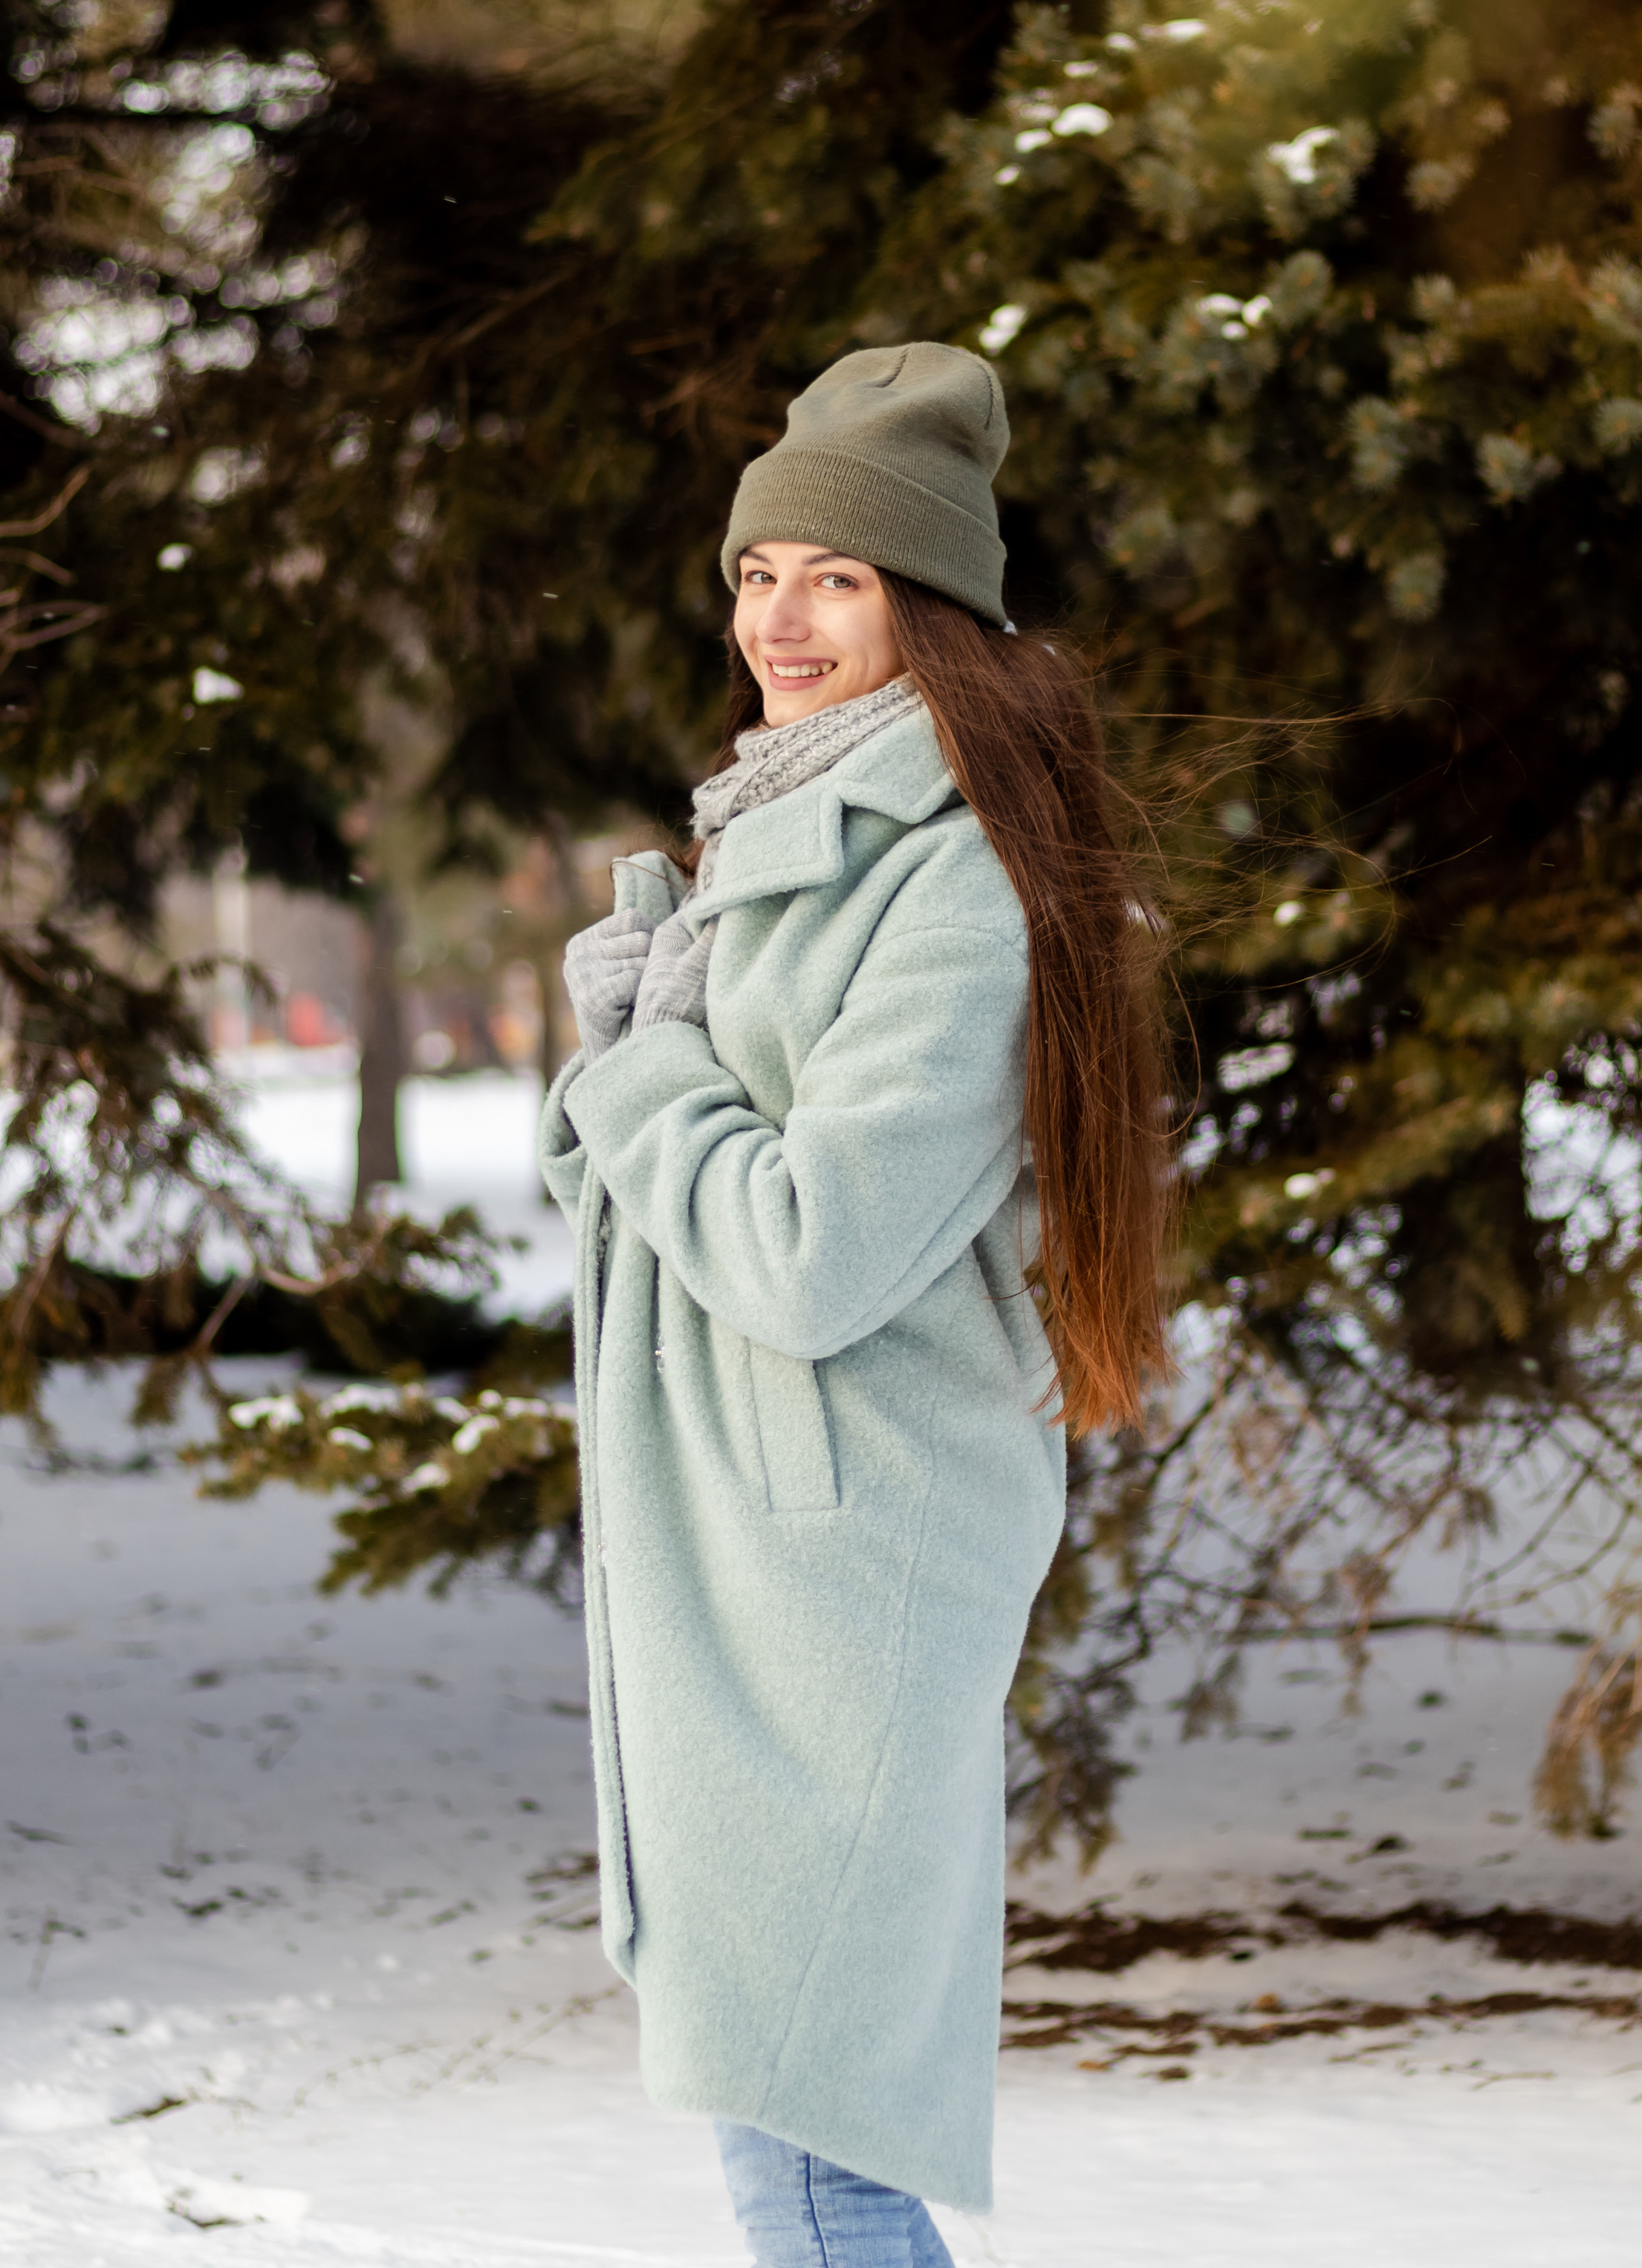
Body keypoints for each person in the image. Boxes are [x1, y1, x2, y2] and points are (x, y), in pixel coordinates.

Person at [539, 340, 1171, 2268]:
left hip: (844, 1550)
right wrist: (629, 1043)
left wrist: (636, 1072)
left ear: (931, 606)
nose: (782, 622)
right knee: (786, 2116)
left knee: (812, 2132)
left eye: (839, 579)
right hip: (745, 1531)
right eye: (758, 574)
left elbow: (810, 1249)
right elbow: (634, 1213)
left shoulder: (958, 882)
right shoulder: (777, 831)